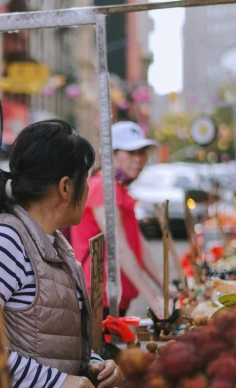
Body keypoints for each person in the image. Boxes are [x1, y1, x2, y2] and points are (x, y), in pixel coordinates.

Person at [0, 120, 123, 388]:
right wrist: (57, 382)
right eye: (85, 180)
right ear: (65, 187)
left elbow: (49, 335)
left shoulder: (54, 243)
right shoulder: (3, 241)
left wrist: (91, 364)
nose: (88, 191)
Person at [71, 121, 169, 317]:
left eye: (142, 152)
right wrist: (155, 302)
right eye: (131, 152)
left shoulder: (119, 189)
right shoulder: (102, 188)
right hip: (99, 298)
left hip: (117, 295)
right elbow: (120, 248)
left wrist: (166, 288)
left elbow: (141, 248)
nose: (139, 159)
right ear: (111, 154)